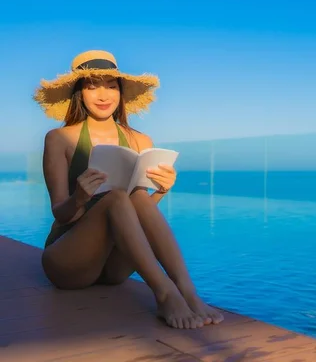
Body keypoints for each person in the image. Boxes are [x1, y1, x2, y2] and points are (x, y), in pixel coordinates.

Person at [33, 50, 224, 329]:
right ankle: (165, 293)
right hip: (69, 263)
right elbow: (61, 213)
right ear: (79, 92)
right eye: (92, 85)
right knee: (117, 197)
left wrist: (160, 192)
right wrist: (80, 198)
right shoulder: (60, 138)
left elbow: (138, 213)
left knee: (134, 197)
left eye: (111, 86)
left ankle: (188, 292)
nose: (103, 95)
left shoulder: (140, 140)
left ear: (121, 92)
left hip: (114, 267)